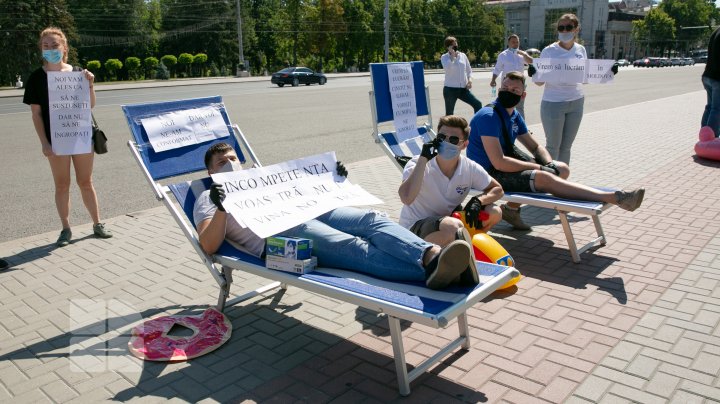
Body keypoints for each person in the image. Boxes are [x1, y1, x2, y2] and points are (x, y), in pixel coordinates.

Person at [194, 142, 478, 289]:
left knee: (372, 220)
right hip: (279, 237)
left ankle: (430, 254)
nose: (230, 164)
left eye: (233, 159)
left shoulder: (261, 178)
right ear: (211, 172)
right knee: (354, 248)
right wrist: (222, 207)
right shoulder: (209, 198)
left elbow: (306, 189)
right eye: (222, 162)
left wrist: (332, 178)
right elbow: (208, 244)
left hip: (310, 211)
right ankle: (444, 272)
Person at [466, 71, 644, 230]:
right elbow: (499, 162)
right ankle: (614, 197)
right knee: (543, 177)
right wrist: (539, 169)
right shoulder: (488, 116)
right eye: (506, 87)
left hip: (501, 167)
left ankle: (511, 210)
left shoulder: (514, 115)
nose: (509, 92)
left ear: (523, 95)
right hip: (486, 173)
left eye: (514, 90)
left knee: (562, 169)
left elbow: (535, 146)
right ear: (499, 88)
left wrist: (549, 163)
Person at [23, 27, 112, 247]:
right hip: (56, 141)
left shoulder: (78, 73)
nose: (50, 49)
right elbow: (36, 114)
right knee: (62, 185)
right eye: (46, 46)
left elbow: (89, 106)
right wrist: (44, 143)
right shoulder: (36, 78)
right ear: (41, 49)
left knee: (86, 182)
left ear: (64, 48)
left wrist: (90, 84)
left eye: (55, 45)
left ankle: (97, 223)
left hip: (80, 137)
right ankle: (65, 229)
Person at [398, 115, 504, 247]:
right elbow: (406, 198)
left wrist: (478, 201)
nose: (446, 142)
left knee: (494, 212)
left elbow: (498, 189)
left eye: (453, 140)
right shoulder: (418, 163)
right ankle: (458, 250)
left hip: (450, 222)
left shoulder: (469, 167)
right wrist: (423, 159)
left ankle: (465, 247)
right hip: (414, 228)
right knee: (453, 227)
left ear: (464, 145)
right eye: (442, 137)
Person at [529, 13, 615, 165]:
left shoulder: (580, 50)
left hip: (576, 102)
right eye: (561, 28)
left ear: (576, 29)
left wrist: (607, 72)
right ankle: (550, 181)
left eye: (568, 27)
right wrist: (533, 73)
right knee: (553, 147)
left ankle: (563, 181)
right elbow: (539, 83)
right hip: (553, 103)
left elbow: (585, 76)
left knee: (566, 147)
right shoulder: (549, 51)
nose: (564, 31)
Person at [490, 34, 534, 119]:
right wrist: (493, 80)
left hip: (520, 85)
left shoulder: (522, 54)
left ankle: (521, 129)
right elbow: (497, 69)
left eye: (517, 42)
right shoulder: (503, 55)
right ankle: (505, 126)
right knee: (506, 106)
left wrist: (524, 54)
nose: (515, 44)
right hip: (507, 86)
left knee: (519, 107)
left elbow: (531, 62)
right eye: (513, 42)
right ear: (508, 43)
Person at [441, 36, 483, 116]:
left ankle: (477, 125)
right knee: (449, 114)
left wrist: (470, 81)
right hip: (450, 90)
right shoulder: (444, 57)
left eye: (456, 43)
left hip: (463, 89)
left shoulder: (463, 55)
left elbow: (469, 70)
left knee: (477, 104)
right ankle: (448, 128)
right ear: (448, 47)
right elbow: (448, 69)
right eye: (452, 45)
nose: (455, 45)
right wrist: (452, 57)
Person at [702, 25, 720, 137]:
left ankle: (704, 136)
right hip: (718, 78)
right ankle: (710, 138)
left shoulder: (716, 31)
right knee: (716, 109)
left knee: (710, 107)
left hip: (708, 75)